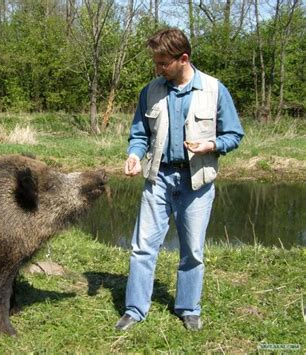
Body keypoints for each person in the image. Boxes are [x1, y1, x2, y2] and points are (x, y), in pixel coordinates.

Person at [115, 28, 244, 332]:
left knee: (192, 251)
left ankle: (188, 308)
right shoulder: (150, 91)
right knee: (143, 247)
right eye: (156, 63)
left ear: (182, 59)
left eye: (163, 64)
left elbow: (234, 134)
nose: (157, 69)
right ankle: (135, 309)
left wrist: (212, 145)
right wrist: (134, 155)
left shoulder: (214, 90)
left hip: (195, 183)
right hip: (158, 178)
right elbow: (139, 135)